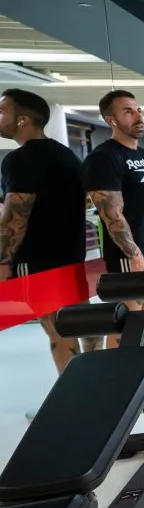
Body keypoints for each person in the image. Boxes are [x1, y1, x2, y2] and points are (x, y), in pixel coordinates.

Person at [0, 88, 98, 385]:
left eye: (3, 111)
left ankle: (76, 396)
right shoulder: (67, 156)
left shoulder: (19, 160)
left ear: (22, 120)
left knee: (58, 331)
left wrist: (3, 263)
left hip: (39, 261)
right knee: (83, 321)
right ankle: (97, 380)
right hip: (71, 257)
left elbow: (15, 217)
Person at [83, 90, 144, 349]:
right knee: (130, 321)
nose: (138, 116)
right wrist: (135, 256)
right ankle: (117, 371)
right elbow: (111, 214)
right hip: (130, 256)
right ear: (111, 120)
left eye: (139, 110)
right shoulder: (104, 158)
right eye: (128, 111)